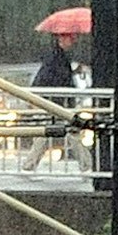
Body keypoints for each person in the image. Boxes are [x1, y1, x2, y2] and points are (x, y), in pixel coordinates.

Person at [20, 31, 89, 171]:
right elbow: (56, 78)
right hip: (55, 103)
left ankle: (29, 164)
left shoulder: (57, 56)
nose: (74, 41)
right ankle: (86, 165)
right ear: (61, 39)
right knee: (69, 133)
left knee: (48, 135)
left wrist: (74, 72)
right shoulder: (56, 57)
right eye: (71, 38)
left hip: (53, 102)